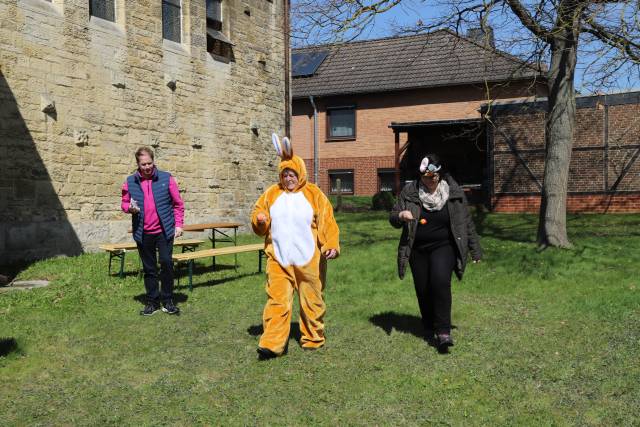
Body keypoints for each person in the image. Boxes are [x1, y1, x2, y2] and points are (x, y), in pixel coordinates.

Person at [251, 134, 340, 360]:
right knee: (277, 300)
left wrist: (330, 244)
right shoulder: (272, 193)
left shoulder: (314, 194)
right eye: (285, 175)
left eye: (292, 174)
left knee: (311, 300)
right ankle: (272, 343)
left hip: (308, 259)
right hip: (278, 259)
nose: (288, 178)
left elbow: (327, 222)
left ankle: (312, 337)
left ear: (300, 174)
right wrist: (260, 219)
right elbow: (258, 214)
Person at [390, 154, 482, 353]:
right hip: (417, 248)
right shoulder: (410, 191)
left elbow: (465, 221)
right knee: (423, 289)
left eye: (433, 177)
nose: (429, 181)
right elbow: (393, 216)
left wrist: (475, 249)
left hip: (444, 245)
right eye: (425, 178)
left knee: (440, 281)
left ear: (440, 175)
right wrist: (401, 215)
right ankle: (429, 324)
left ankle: (443, 332)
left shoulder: (453, 192)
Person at [121, 146, 185, 316]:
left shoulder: (167, 178)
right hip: (143, 232)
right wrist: (130, 208)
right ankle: (152, 302)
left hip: (164, 231)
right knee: (149, 269)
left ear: (153, 161)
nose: (147, 167)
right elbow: (124, 203)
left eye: (149, 163)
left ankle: (168, 300)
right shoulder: (129, 181)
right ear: (138, 164)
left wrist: (178, 225)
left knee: (166, 264)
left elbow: (178, 204)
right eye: (143, 164)